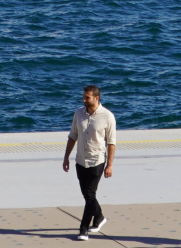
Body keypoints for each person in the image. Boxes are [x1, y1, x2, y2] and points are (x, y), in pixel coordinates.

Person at [62, 85, 116, 242]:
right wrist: (66, 157)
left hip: (97, 160)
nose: (84, 99)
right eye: (83, 97)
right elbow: (73, 136)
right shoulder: (78, 113)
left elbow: (111, 143)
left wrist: (110, 165)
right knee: (87, 194)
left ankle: (83, 228)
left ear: (96, 98)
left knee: (90, 194)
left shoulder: (107, 116)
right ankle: (98, 217)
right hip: (80, 160)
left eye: (87, 97)